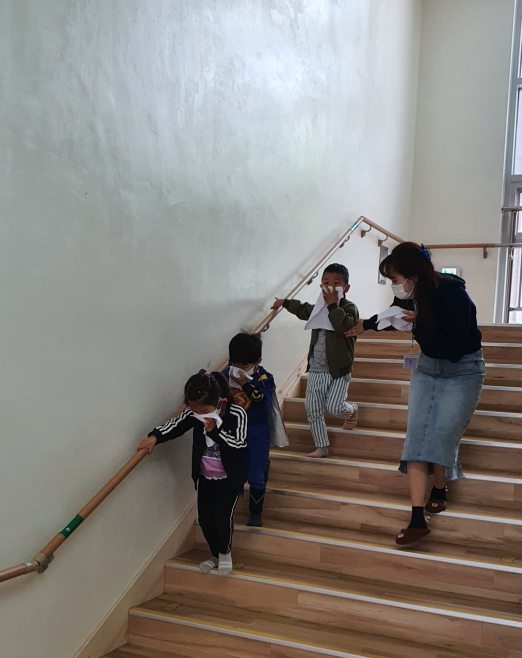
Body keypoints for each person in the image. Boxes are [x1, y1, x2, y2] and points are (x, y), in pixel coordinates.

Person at [346, 242, 485, 546]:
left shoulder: (454, 296)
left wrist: (418, 325)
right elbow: (397, 314)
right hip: (426, 367)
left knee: (442, 434)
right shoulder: (413, 293)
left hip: (462, 370)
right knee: (417, 436)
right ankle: (417, 519)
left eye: (395, 280)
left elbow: (452, 350)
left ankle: (440, 488)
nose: (394, 286)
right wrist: (367, 325)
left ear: (413, 276)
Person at [137, 371, 248, 575]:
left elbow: (239, 443)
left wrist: (215, 432)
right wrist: (154, 437)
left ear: (219, 400)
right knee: (205, 519)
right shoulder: (194, 414)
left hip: (229, 478)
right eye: (194, 410)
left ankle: (225, 554)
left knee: (221, 517)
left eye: (204, 410)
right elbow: (175, 425)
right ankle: (215, 555)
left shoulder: (236, 413)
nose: (199, 415)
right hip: (206, 476)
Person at [272, 263, 359, 458]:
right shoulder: (318, 308)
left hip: (339, 369)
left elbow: (343, 326)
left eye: (336, 283)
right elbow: (303, 309)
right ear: (321, 286)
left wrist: (333, 305)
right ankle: (321, 447)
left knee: (335, 408)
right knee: (313, 409)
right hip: (317, 369)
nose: (330, 287)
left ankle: (352, 410)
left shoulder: (349, 308)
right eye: (326, 283)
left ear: (345, 288)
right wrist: (284, 302)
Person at [222, 332, 275, 527]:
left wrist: (245, 384)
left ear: (257, 361)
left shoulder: (264, 379)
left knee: (255, 475)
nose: (238, 370)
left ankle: (255, 513)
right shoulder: (225, 375)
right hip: (232, 431)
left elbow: (262, 402)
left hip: (256, 431)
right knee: (230, 472)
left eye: (244, 366)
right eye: (234, 364)